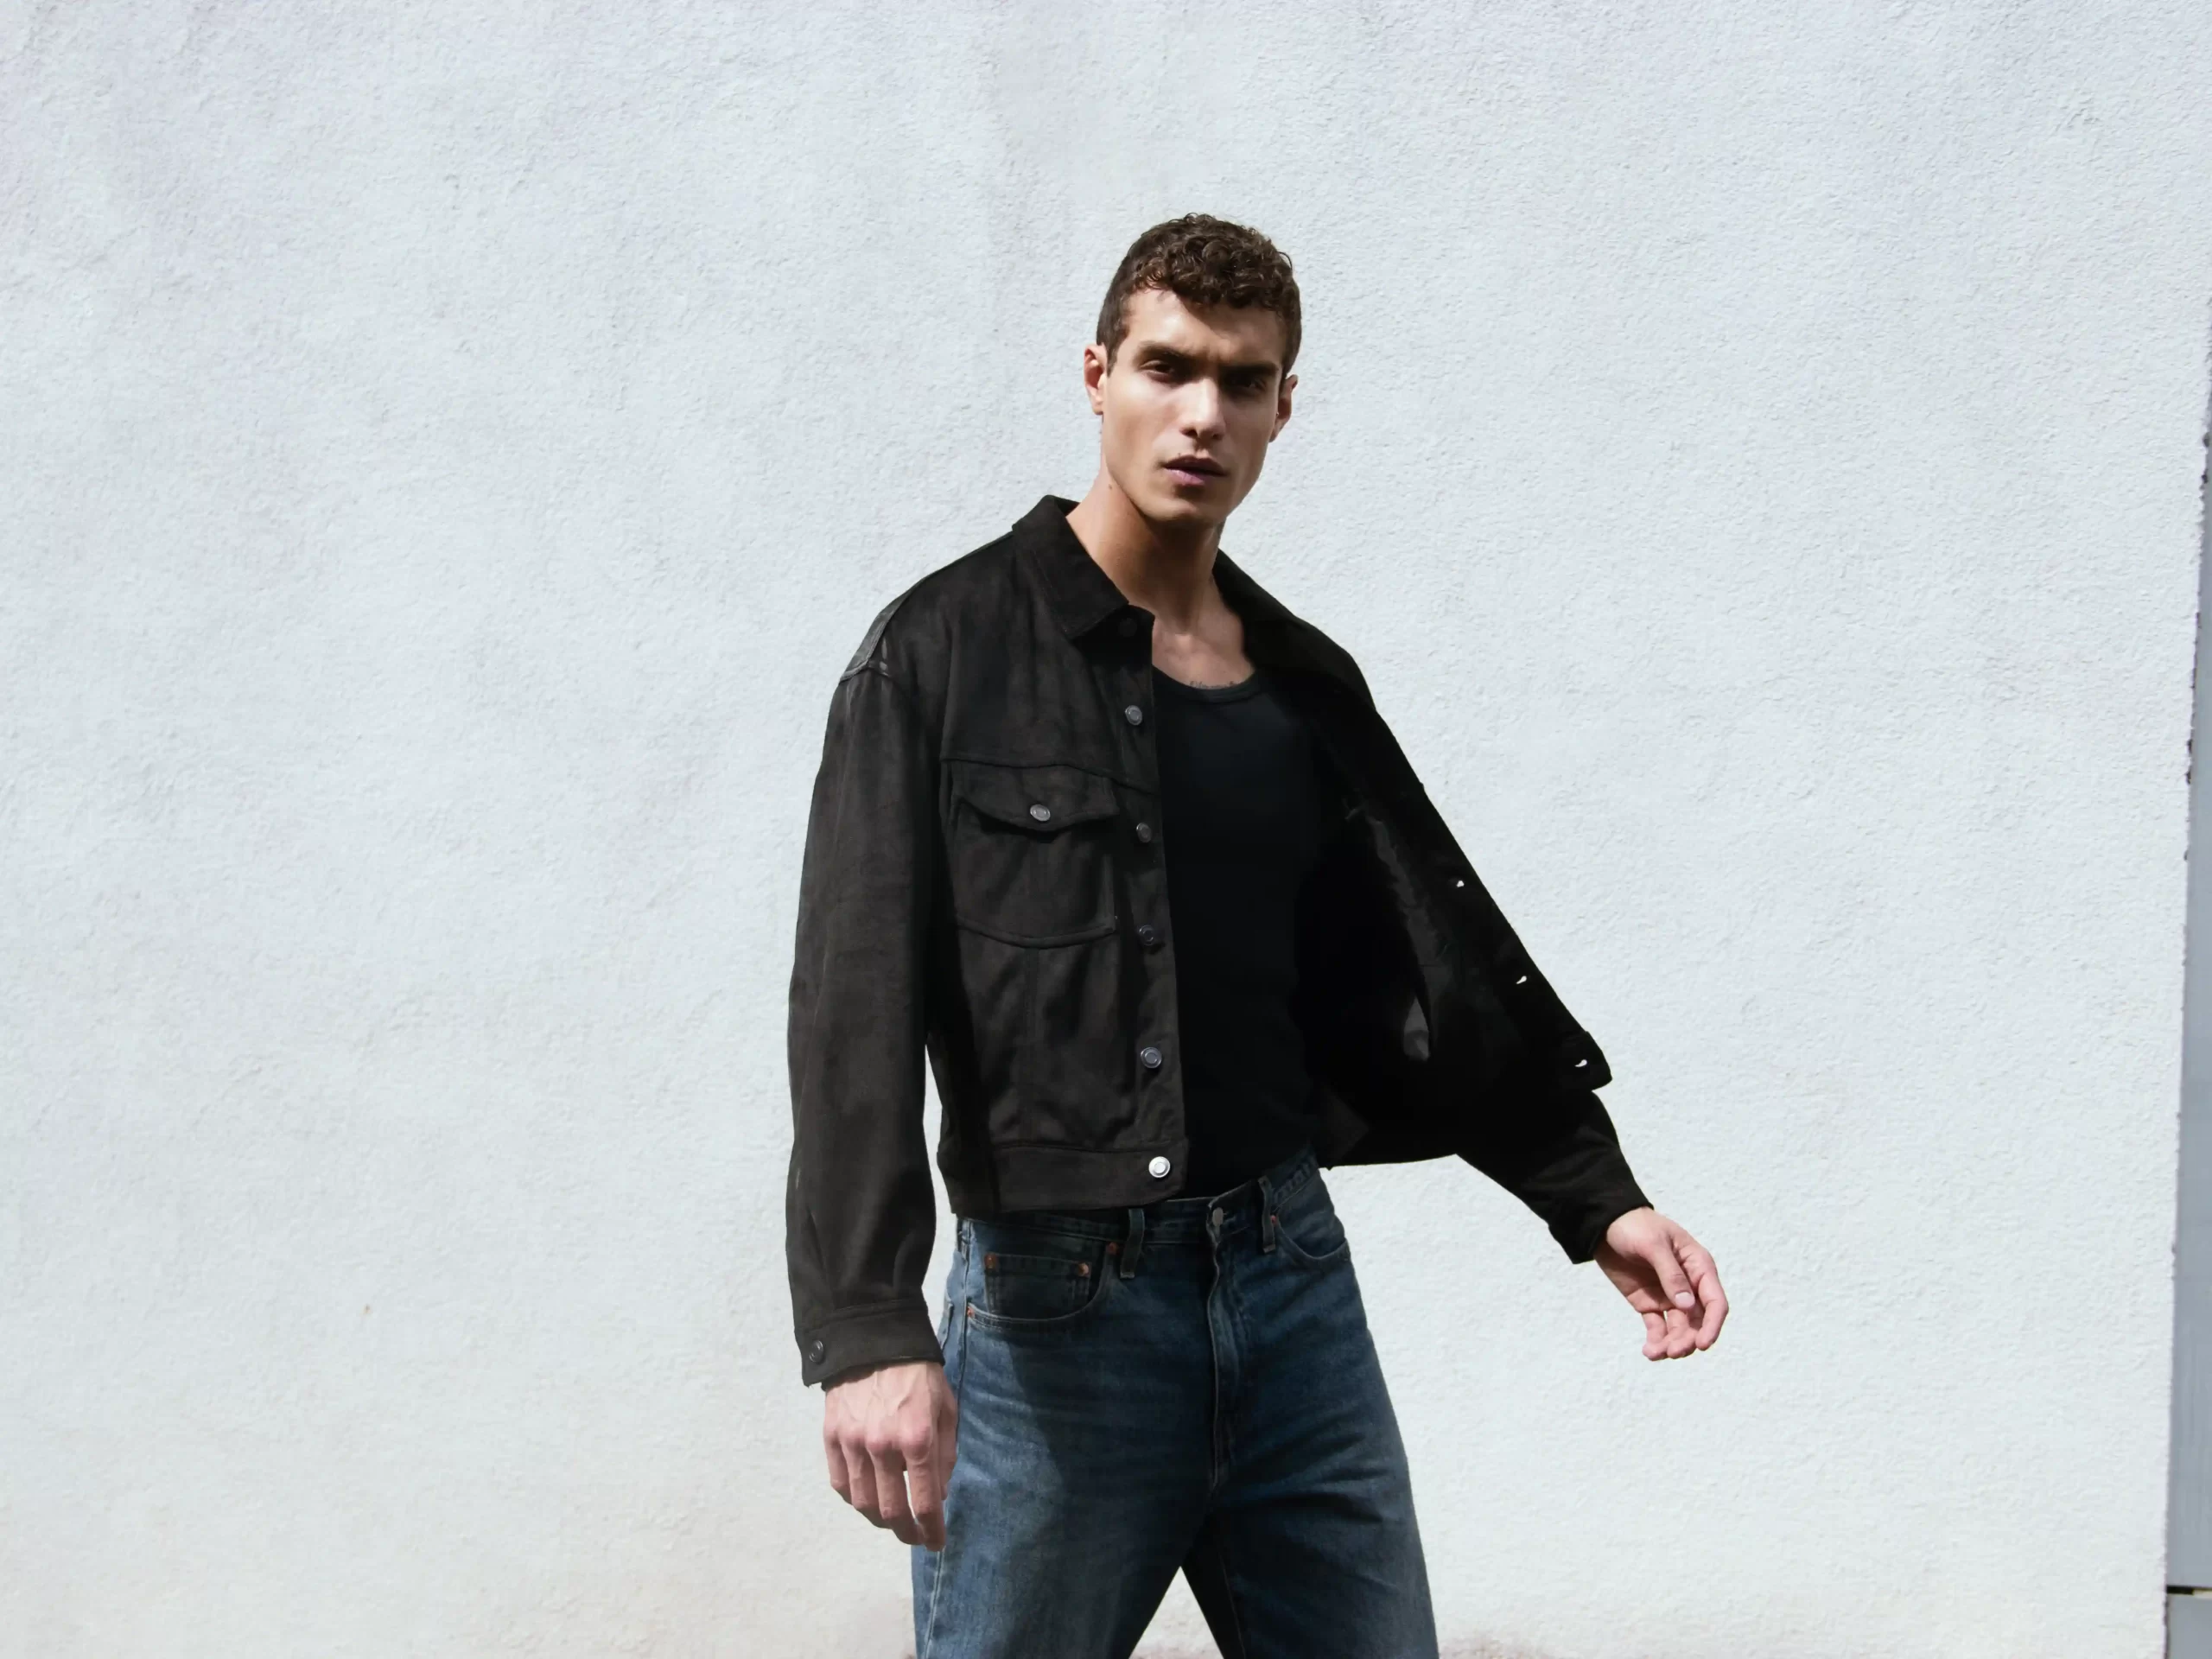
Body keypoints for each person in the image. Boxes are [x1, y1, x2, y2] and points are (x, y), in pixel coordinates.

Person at [785, 213, 1728, 1659]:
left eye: (1243, 381)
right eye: (1168, 367)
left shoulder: (1302, 683)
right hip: (1054, 1322)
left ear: (1285, 408)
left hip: (1291, 1298)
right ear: (1097, 376)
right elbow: (853, 1010)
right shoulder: (942, 653)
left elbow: (1410, 979)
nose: (1202, 414)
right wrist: (866, 1326)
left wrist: (1593, 1197)